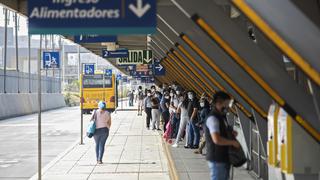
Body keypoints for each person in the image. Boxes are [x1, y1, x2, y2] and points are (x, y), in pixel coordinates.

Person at [205, 91, 240, 180]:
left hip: (223, 157)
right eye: (226, 104)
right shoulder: (213, 118)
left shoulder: (220, 117)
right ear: (219, 103)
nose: (227, 107)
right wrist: (232, 142)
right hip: (217, 158)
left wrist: (229, 133)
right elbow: (216, 139)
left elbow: (221, 131)